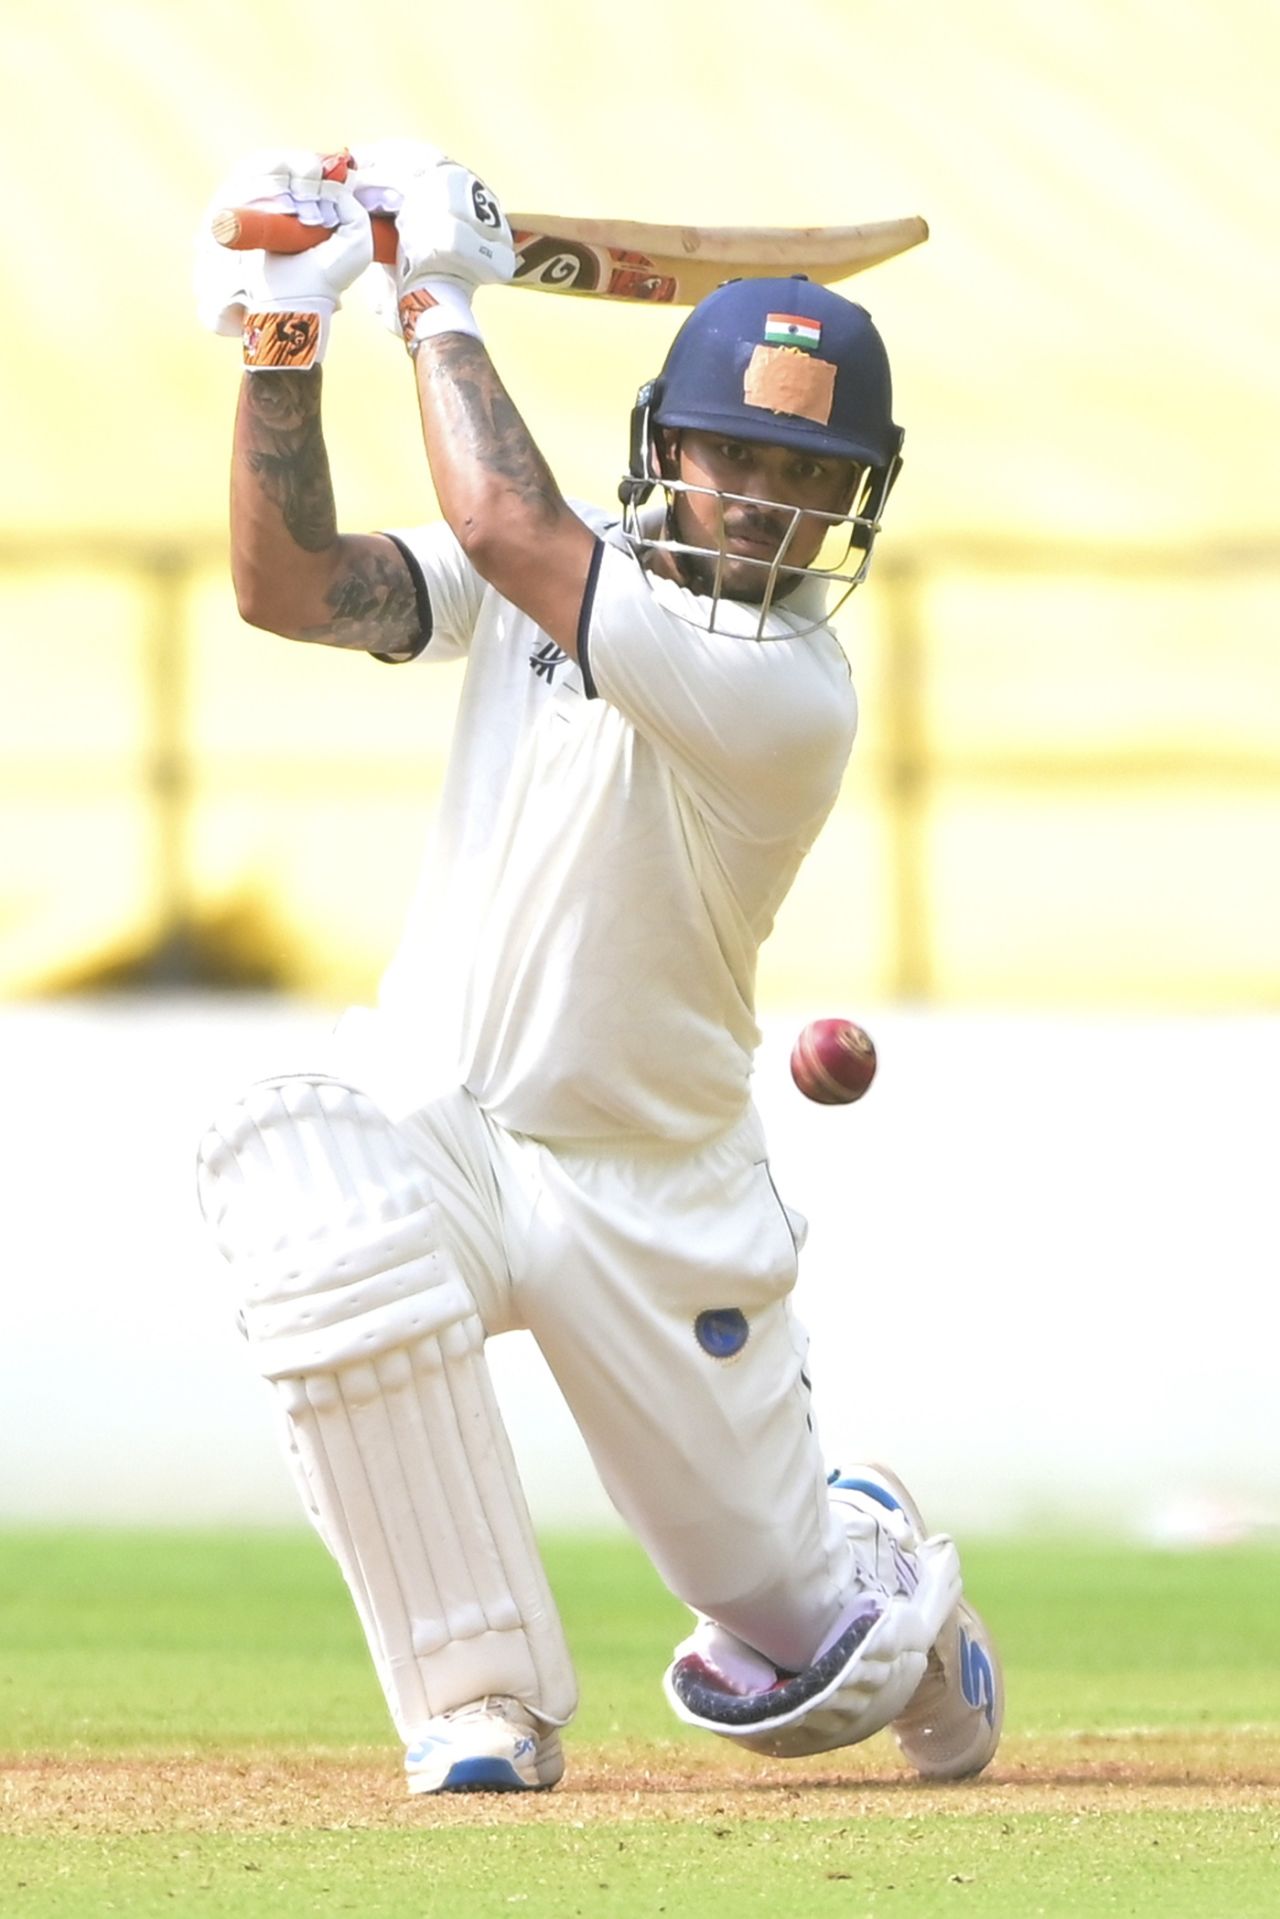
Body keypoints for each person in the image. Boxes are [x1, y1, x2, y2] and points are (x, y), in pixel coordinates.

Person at [193, 143, 1002, 1795]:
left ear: (855, 499)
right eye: (735, 456)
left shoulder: (785, 685)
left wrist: (429, 294)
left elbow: (505, 522)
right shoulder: (549, 583)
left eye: (808, 473)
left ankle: (874, 1571)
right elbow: (287, 587)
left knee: (797, 1659)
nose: (767, 500)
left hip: (657, 1190)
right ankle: (477, 1701)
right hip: (458, 1120)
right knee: (302, 1178)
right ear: (669, 447)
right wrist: (288, 326)